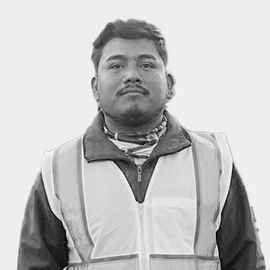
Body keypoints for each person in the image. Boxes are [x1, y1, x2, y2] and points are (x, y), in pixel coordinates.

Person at [17, 19, 265, 270]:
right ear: (95, 88)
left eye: (147, 64)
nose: (132, 75)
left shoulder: (214, 161)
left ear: (169, 84)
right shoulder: (58, 170)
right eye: (116, 65)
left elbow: (245, 261)